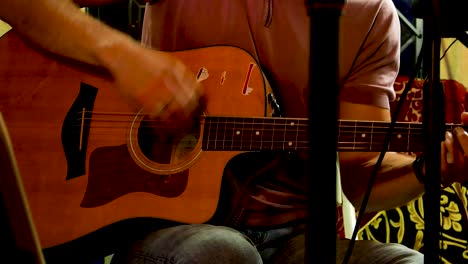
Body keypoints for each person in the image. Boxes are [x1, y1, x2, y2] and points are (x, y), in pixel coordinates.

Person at [1, 0, 468, 263]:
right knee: (220, 256)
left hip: (301, 239)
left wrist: (430, 168)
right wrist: (124, 57)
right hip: (172, 225)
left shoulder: (369, 14)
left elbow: (362, 174)